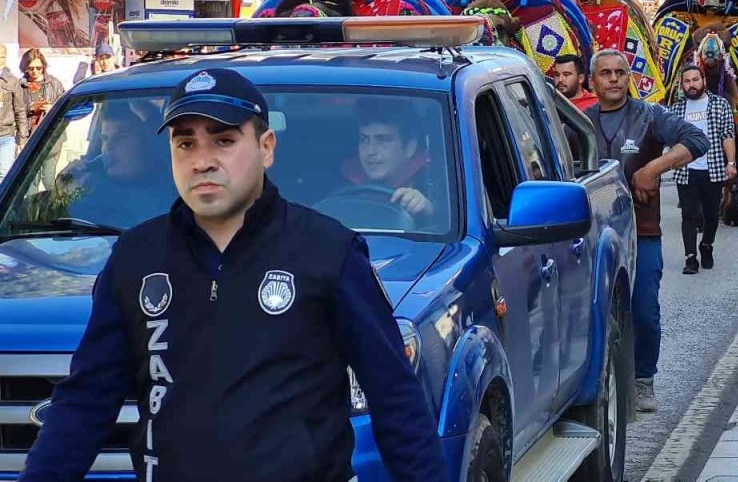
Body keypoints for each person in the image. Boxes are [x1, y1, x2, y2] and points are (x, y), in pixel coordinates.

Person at [21, 68, 447, 481]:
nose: (202, 161)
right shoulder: (136, 257)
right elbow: (85, 401)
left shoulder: (328, 253)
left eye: (223, 141)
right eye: (185, 143)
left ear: (266, 147)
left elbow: (395, 399)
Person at [583, 49, 709, 413]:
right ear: (594, 80)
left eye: (620, 72)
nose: (613, 79)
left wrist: (653, 168)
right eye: (605, 73)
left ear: (629, 77)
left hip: (642, 233)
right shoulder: (577, 121)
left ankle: (643, 379)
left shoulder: (651, 116)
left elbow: (696, 141)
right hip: (592, 236)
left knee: (643, 310)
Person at [669, 65, 737, 274]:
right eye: (687, 81)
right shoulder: (676, 109)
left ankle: (706, 245)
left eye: (695, 80)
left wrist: (731, 163)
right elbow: (670, 139)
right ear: (682, 85)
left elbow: (727, 134)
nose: (691, 84)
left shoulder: (719, 104)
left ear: (704, 81)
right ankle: (690, 258)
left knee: (710, 214)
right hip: (686, 170)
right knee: (688, 215)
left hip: (713, 168)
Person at [339, 102, 434, 220]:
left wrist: (428, 212)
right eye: (364, 140)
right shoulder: (341, 181)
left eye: (383, 140)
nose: (370, 151)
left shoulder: (435, 182)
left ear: (410, 147)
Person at [20, 48, 66, 192]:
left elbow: (66, 109)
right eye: (31, 68)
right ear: (25, 68)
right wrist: (29, 108)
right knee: (31, 182)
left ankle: (56, 209)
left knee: (48, 179)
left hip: (51, 137)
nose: (35, 71)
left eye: (38, 68)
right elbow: (15, 110)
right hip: (29, 137)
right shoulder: (20, 85)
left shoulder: (55, 84)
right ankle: (32, 212)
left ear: (43, 67)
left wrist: (53, 108)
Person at [0, 45, 28, 178]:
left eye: (2, 56)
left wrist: (22, 139)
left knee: (4, 175)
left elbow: (20, 110)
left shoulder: (12, 81)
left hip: (6, 136)